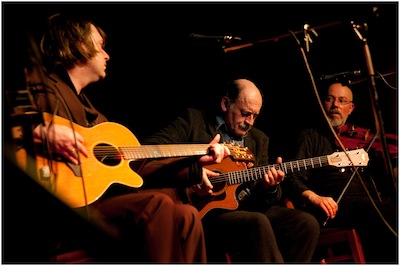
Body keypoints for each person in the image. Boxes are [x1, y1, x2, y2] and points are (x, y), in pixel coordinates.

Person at [26, 13, 231, 263]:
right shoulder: (41, 85)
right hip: (60, 209)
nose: (107, 55)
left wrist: (195, 162)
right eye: (101, 47)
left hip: (95, 202)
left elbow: (137, 167)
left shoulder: (97, 118)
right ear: (80, 44)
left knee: (186, 216)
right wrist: (40, 129)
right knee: (157, 204)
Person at [142, 78, 320, 262]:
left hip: (247, 206)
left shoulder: (259, 140)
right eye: (245, 113)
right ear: (226, 104)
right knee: (256, 222)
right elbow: (150, 150)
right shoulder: (194, 121)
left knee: (305, 224)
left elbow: (265, 198)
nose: (250, 122)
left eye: (255, 116)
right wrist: (194, 170)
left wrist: (271, 187)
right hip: (204, 210)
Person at [282, 81, 398, 263]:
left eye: (342, 101)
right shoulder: (310, 136)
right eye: (330, 99)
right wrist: (315, 197)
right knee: (391, 214)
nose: (335, 105)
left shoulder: (358, 138)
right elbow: (292, 177)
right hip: (336, 206)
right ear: (323, 103)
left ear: (350, 108)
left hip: (370, 200)